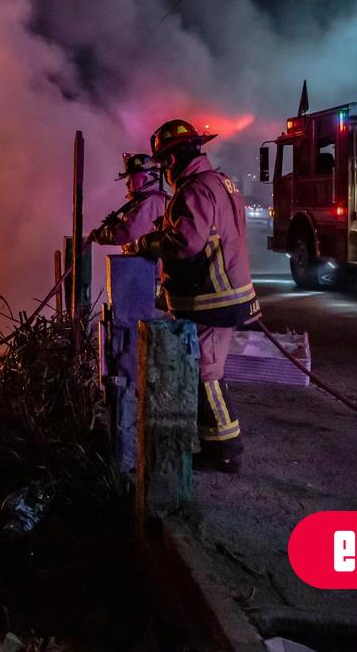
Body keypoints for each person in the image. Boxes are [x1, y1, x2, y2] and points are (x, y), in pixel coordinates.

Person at [130, 119, 260, 473]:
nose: (164, 172)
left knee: (206, 374)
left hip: (212, 299)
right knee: (209, 371)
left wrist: (148, 242)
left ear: (172, 160)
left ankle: (226, 452)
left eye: (163, 164)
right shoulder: (219, 182)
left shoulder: (194, 190)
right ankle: (218, 446)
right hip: (224, 293)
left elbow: (186, 243)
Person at [92, 153, 169, 253]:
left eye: (131, 179)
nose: (127, 184)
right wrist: (118, 223)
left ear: (143, 178)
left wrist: (101, 235)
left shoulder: (152, 201)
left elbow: (128, 233)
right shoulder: (149, 199)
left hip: (149, 266)